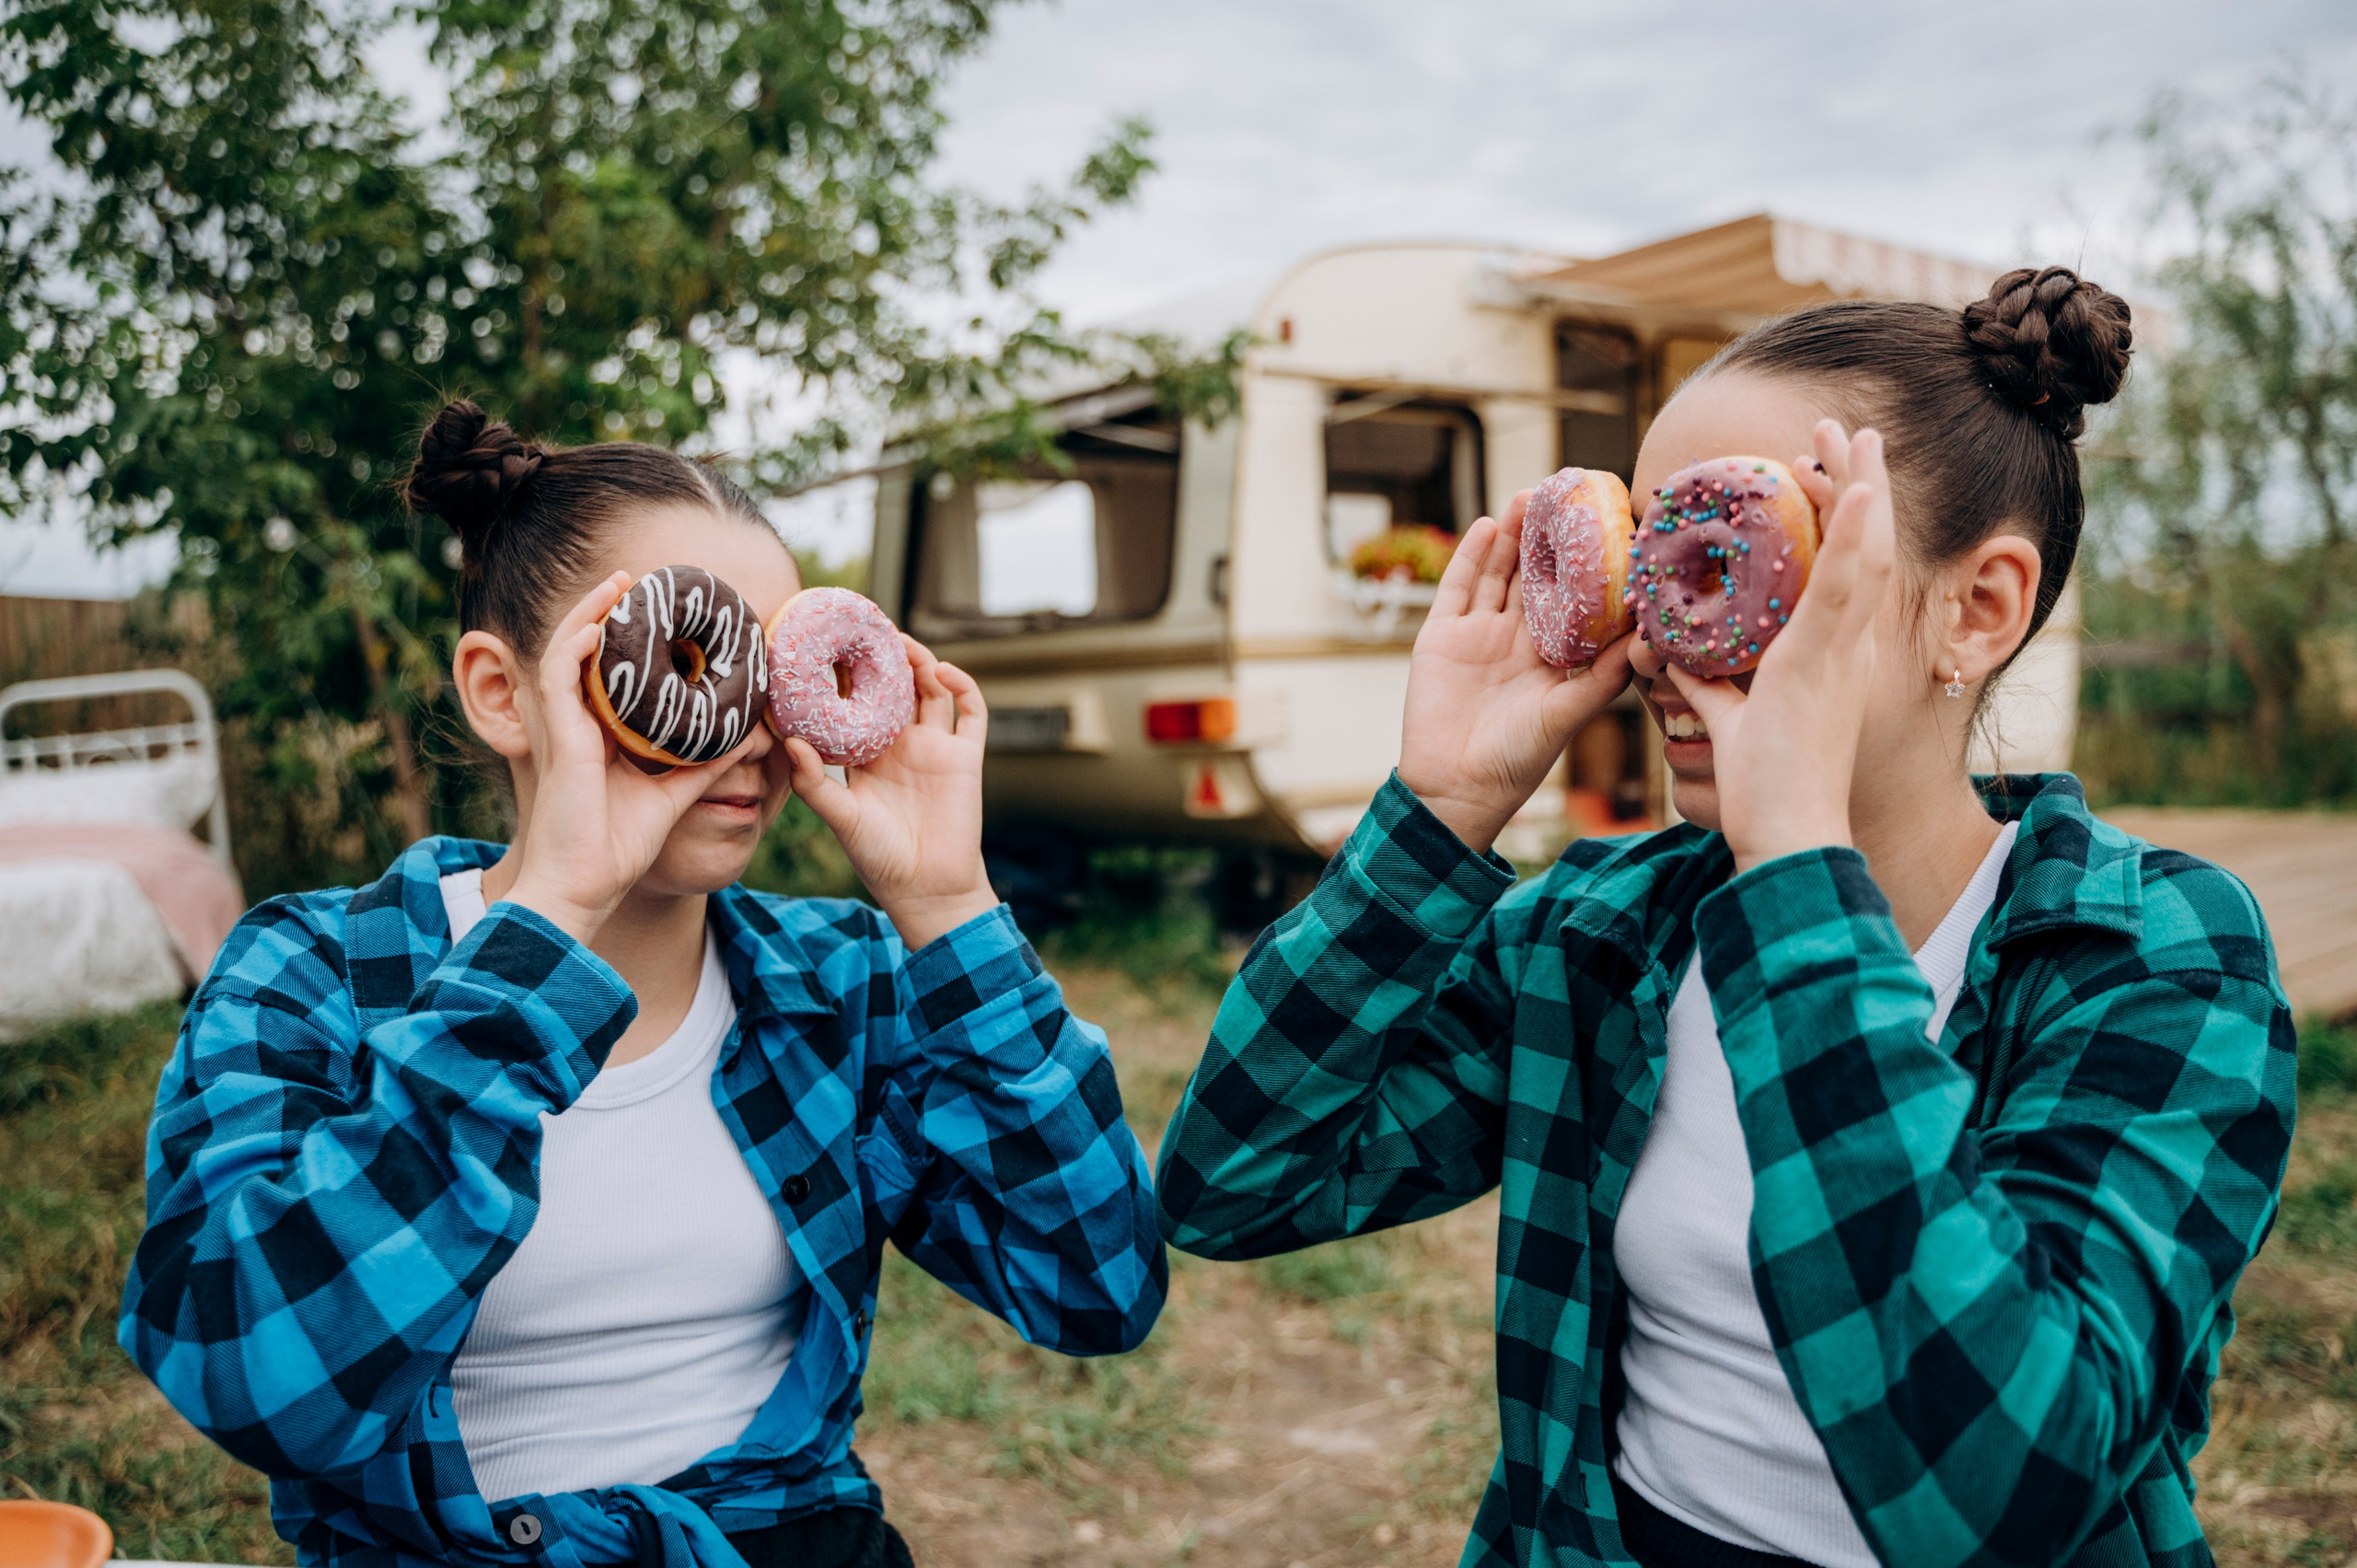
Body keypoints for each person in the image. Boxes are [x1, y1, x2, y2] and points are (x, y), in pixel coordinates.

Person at [1155, 270, 2295, 1568]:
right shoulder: (1601, 931)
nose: (1659, 637)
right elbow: (1230, 1186)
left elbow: (1993, 1490)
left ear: (1977, 609)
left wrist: (1798, 866)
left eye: (1738, 552)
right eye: (1653, 554)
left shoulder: (2154, 955)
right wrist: (1441, 807)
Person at [120, 401, 1166, 1568]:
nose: (750, 731)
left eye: (766, 670)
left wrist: (949, 906)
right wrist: (548, 926)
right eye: (686, 656)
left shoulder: (842, 982)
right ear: (505, 692)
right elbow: (251, 1378)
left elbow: (1095, 1286)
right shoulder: (314, 973)